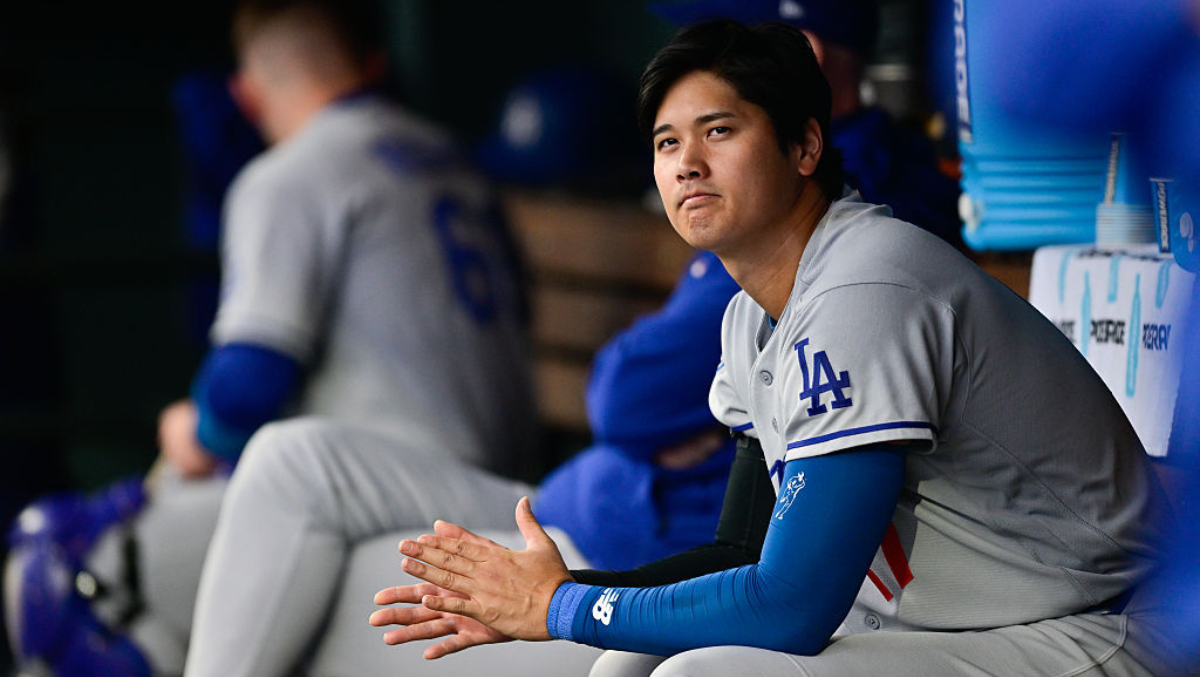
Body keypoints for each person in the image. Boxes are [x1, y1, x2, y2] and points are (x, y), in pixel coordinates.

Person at [371, 19, 1180, 677]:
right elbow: (742, 547)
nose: (686, 163)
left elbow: (791, 606)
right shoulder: (752, 316)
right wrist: (552, 592)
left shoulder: (868, 285)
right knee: (624, 662)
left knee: (704, 676)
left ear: (803, 148)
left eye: (718, 131)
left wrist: (560, 607)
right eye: (665, 143)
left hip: (1089, 624)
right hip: (963, 624)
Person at [4, 0, 536, 674]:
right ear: (371, 65)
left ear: (245, 94)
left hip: (384, 494)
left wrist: (192, 430)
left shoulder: (291, 173)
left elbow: (248, 383)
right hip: (496, 485)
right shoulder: (451, 157)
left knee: (59, 570)